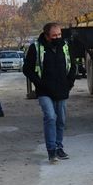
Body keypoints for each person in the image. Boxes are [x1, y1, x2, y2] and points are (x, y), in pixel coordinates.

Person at [23, 22, 76, 164]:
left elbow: (72, 65)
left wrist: (69, 83)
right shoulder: (36, 48)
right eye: (54, 35)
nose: (57, 37)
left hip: (62, 90)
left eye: (59, 34)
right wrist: (39, 84)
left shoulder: (65, 46)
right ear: (46, 36)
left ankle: (59, 147)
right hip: (44, 91)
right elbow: (27, 69)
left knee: (61, 120)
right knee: (50, 117)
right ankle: (51, 150)